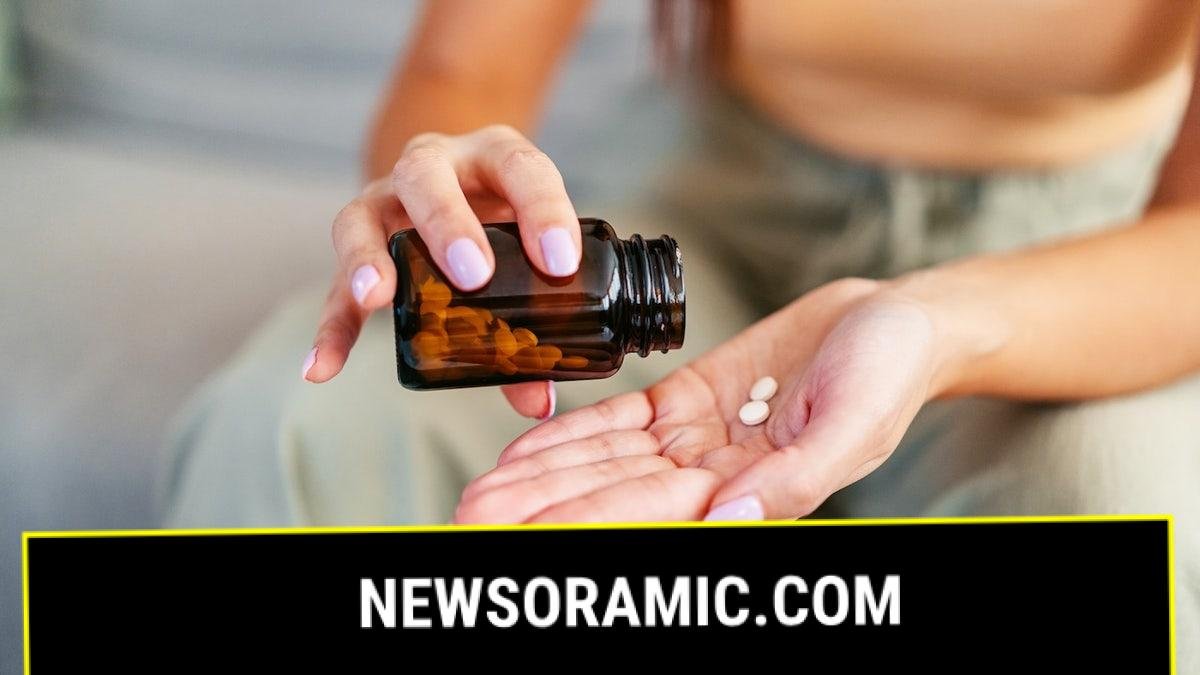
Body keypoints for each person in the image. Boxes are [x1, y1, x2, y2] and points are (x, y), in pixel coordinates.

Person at [162, 0, 1199, 660]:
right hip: (709, 217)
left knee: (1113, 509)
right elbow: (459, 72)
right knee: (298, 426)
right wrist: (449, 204)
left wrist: (934, 322)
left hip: (1069, 264)